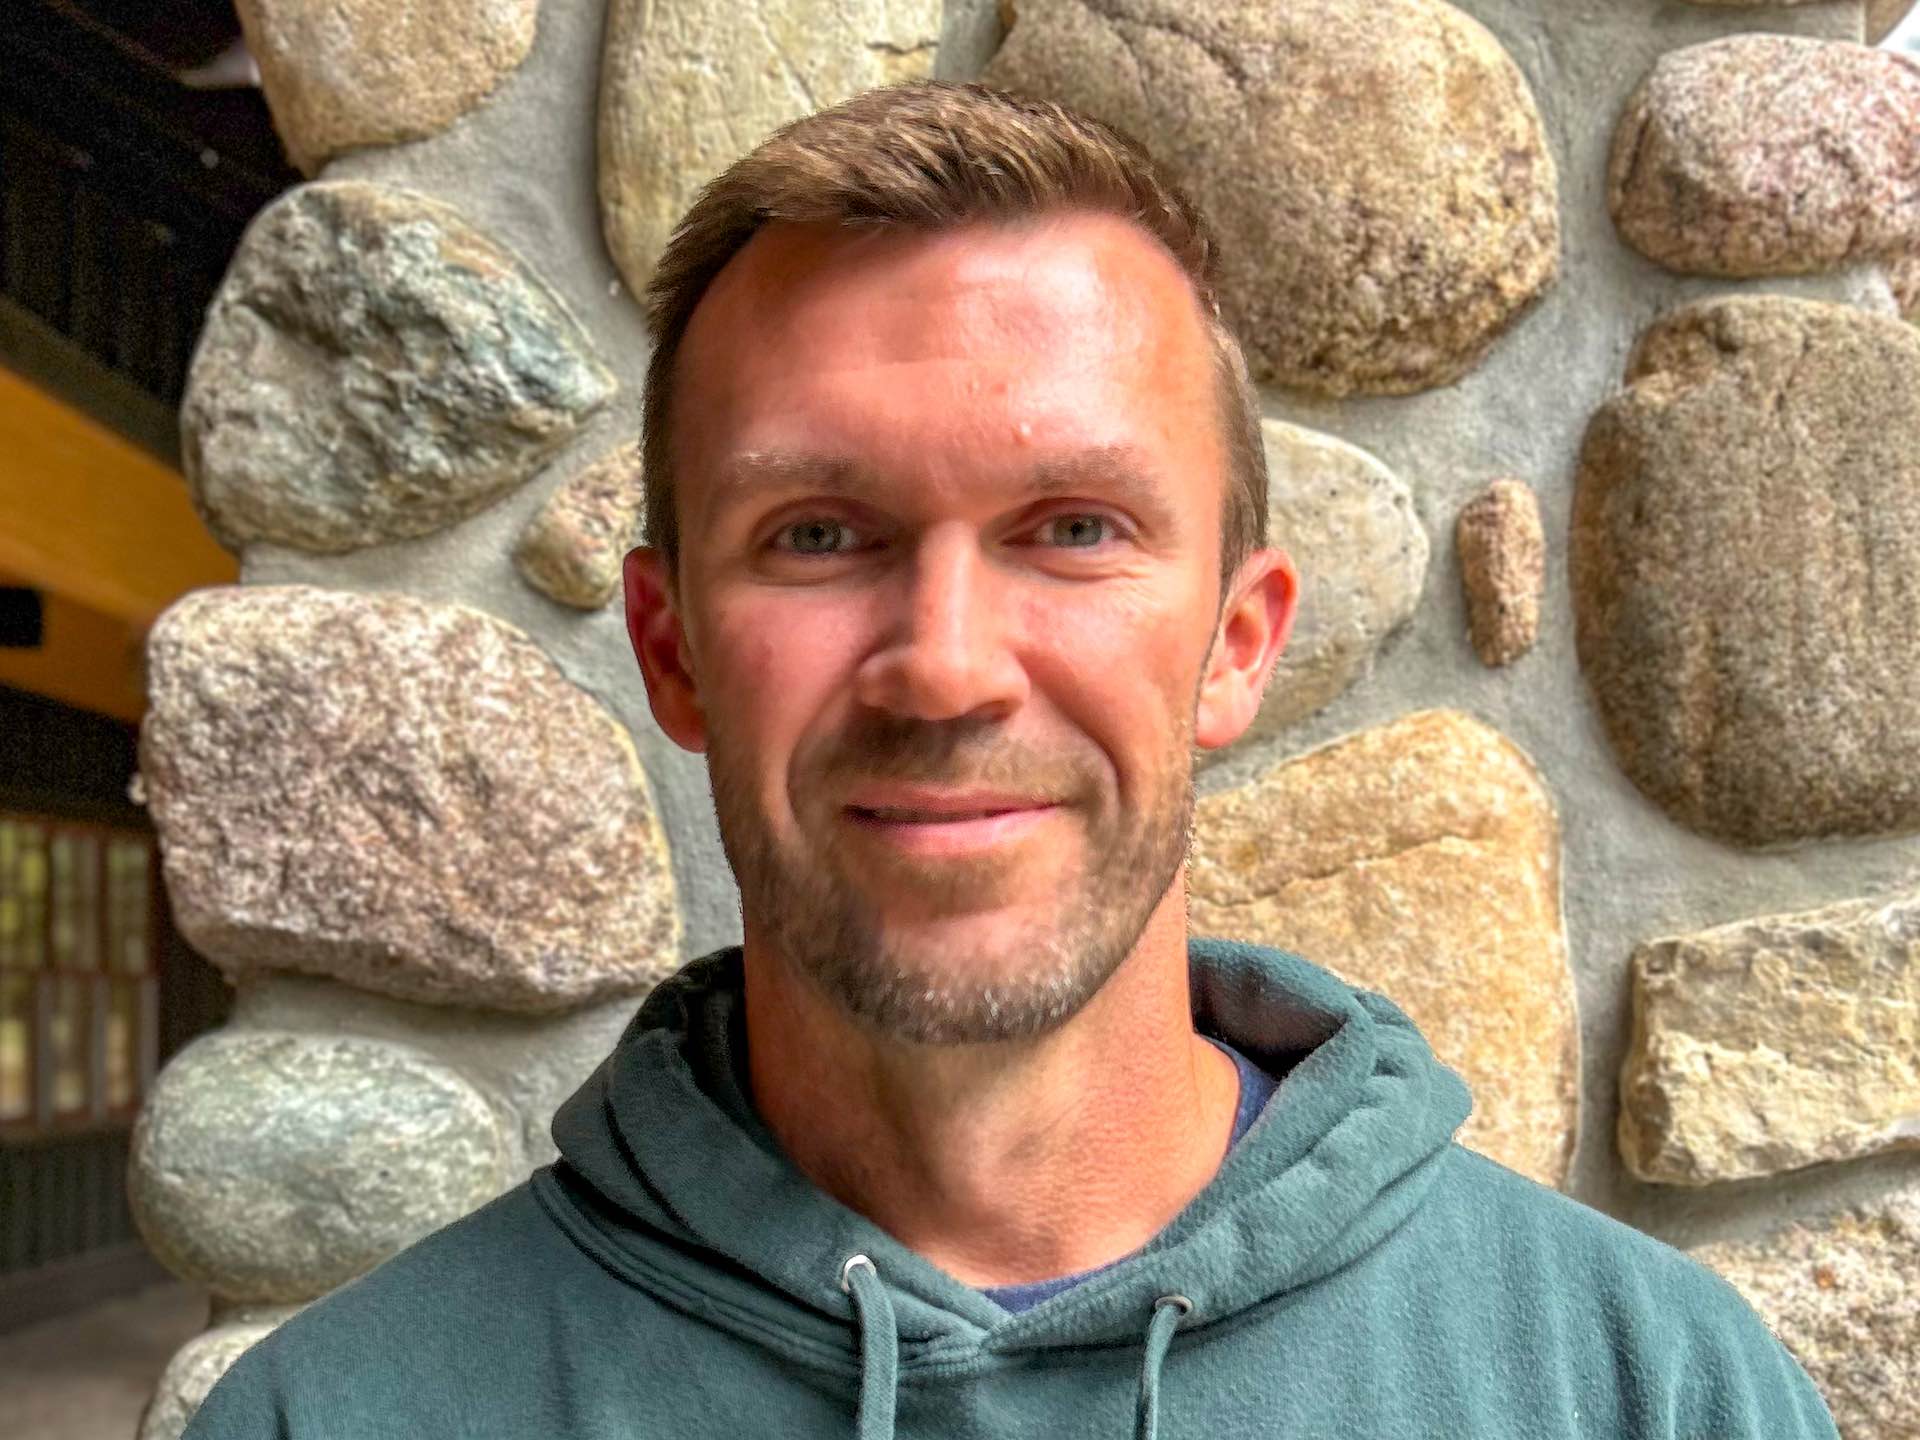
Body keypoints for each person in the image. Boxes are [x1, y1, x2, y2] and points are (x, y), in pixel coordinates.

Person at [184, 80, 1836, 1440]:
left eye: (1073, 529)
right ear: (673, 650)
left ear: (1237, 642)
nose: (947, 668)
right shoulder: (333, 1422)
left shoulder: (1650, 1394)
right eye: (817, 533)